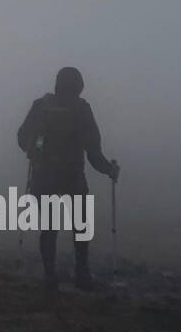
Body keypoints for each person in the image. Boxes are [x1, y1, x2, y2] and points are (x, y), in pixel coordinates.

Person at [17, 67, 119, 296]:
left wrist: (35, 152)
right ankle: (82, 275)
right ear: (79, 86)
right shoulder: (82, 110)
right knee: (81, 227)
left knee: (49, 228)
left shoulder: (40, 107)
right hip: (73, 176)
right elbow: (93, 151)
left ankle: (50, 276)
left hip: (44, 176)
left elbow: (22, 137)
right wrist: (109, 169)